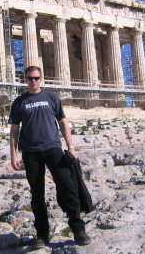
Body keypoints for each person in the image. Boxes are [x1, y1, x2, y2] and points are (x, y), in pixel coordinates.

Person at [8, 66, 91, 248]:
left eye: (36, 78)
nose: (33, 81)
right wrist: (13, 154)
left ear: (41, 78)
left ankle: (78, 229)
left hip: (53, 148)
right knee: (37, 194)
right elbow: (14, 130)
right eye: (30, 78)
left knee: (68, 186)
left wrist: (71, 147)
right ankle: (42, 235)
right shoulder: (19, 102)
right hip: (30, 152)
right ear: (25, 80)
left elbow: (62, 122)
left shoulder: (51, 97)